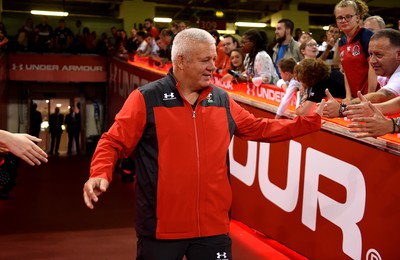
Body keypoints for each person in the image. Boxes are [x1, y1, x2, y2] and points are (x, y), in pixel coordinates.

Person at [83, 28, 325, 260]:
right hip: (161, 230)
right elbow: (112, 141)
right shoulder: (146, 99)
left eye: (213, 58)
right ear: (181, 60)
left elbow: (259, 128)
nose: (213, 66)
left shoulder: (221, 99)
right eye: (204, 60)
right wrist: (100, 172)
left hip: (214, 230)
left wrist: (310, 123)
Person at [323, 28, 400, 118]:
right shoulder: (384, 73)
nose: (372, 61)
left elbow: (382, 96)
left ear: (398, 55)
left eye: (379, 55)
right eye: (370, 54)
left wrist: (342, 108)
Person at [334, 0, 377, 101]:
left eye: (348, 16)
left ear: (357, 17)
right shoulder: (341, 42)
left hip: (371, 95)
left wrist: (370, 96)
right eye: (340, 18)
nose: (344, 20)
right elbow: (346, 72)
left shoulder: (366, 35)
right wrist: (348, 96)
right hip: (355, 98)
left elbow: (373, 67)